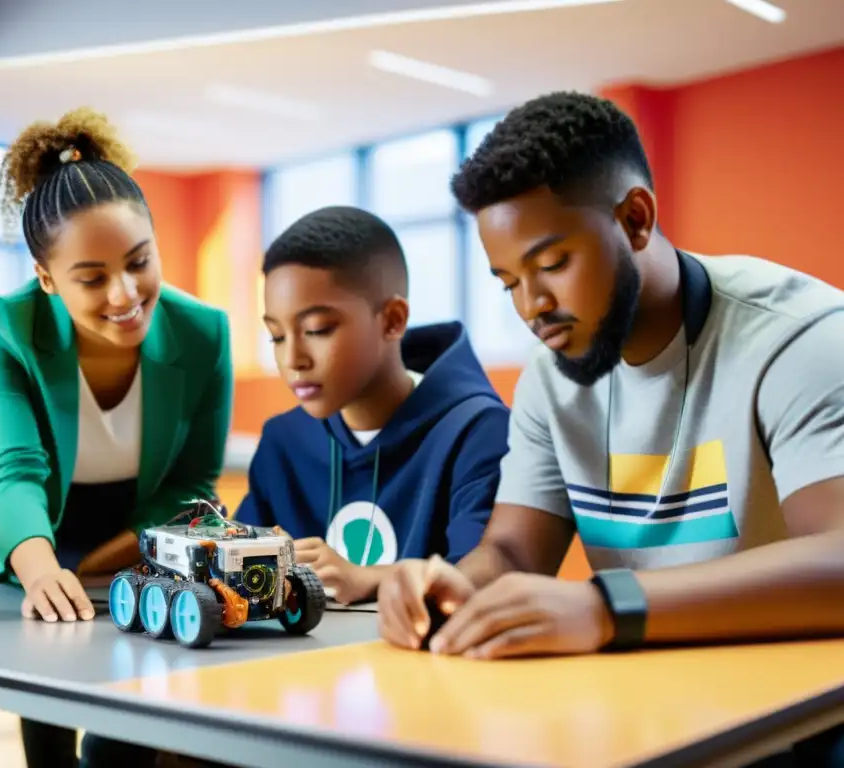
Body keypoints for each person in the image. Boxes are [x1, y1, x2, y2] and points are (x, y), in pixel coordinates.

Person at [376, 91, 844, 766]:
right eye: (509, 281)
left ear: (634, 219)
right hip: (650, 720)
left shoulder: (798, 335)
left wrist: (605, 607)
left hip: (801, 726)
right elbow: (511, 550)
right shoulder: (551, 373)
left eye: (552, 264)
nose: (533, 307)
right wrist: (448, 584)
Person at [0, 108, 233, 768]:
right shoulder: (8, 324)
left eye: (139, 262)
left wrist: (116, 556)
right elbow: (13, 469)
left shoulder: (204, 332)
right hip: (26, 522)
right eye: (92, 278)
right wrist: (42, 570)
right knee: (46, 699)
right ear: (47, 279)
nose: (125, 295)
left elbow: (194, 483)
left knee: (126, 711)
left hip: (138, 523)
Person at [235, 205, 510, 605]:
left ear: (393, 320)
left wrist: (370, 578)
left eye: (317, 330)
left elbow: (481, 574)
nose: (293, 359)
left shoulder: (476, 429)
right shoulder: (283, 440)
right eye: (276, 336)